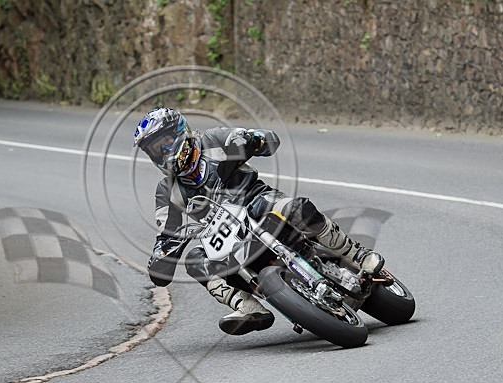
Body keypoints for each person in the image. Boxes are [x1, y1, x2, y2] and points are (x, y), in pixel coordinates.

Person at [133, 107, 384, 335]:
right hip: (222, 237)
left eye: (163, 143)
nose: (161, 152)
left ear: (179, 132)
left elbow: (269, 140)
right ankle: (247, 307)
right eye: (154, 149)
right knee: (196, 259)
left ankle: (359, 256)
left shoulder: (214, 140)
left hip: (257, 202)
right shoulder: (166, 191)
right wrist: (161, 255)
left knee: (297, 208)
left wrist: (253, 139)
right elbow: (165, 232)